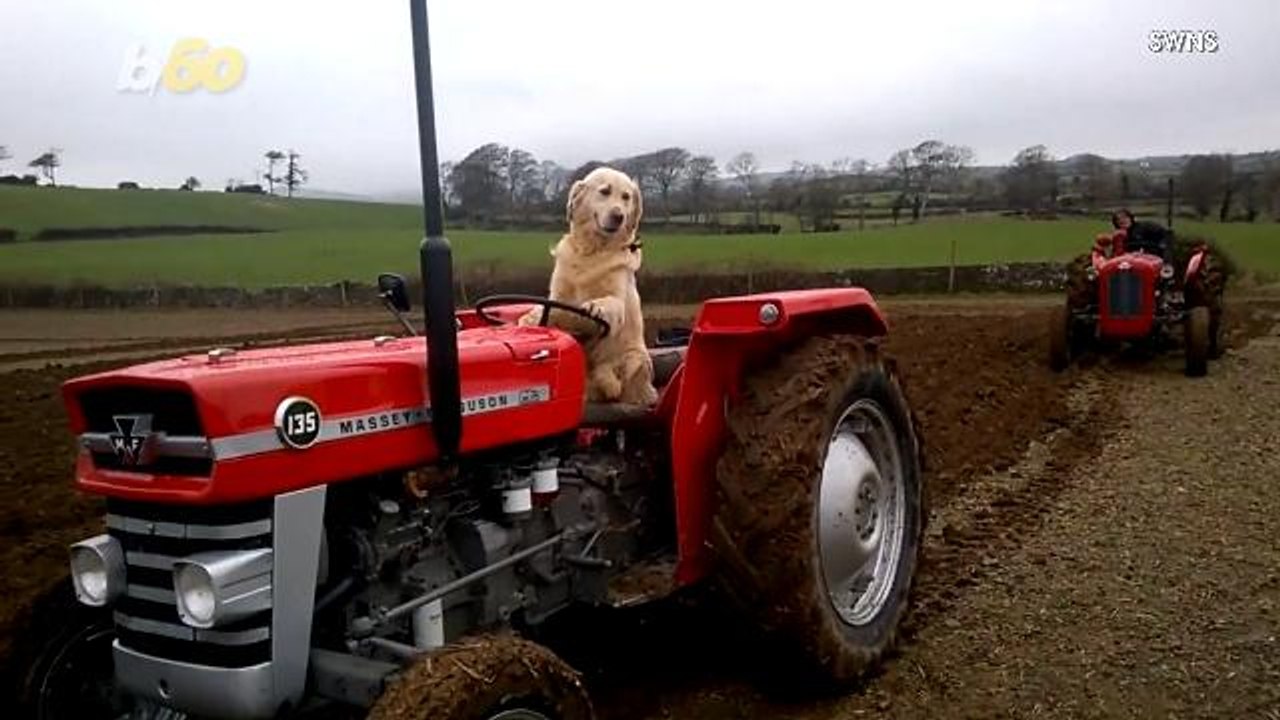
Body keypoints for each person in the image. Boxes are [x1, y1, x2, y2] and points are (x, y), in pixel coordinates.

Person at [1101, 208, 1173, 260]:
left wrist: (1163, 247)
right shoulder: (1117, 236)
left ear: (1131, 218)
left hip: (1150, 257)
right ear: (1116, 223)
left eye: (1125, 217)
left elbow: (1165, 234)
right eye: (1118, 219)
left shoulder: (1145, 226)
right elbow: (1113, 253)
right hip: (1127, 261)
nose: (1122, 220)